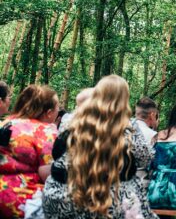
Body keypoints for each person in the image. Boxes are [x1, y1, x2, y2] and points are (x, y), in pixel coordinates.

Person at [42, 75, 157, 219]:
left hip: (60, 197)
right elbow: (145, 158)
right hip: (109, 201)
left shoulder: (73, 122)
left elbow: (57, 151)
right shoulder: (128, 126)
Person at [0, 84, 59, 218]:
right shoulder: (45, 131)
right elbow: (47, 175)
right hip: (23, 202)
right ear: (49, 113)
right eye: (57, 107)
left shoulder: (4, 124)